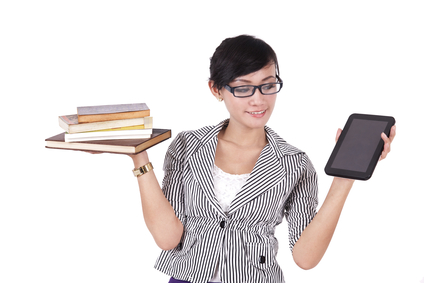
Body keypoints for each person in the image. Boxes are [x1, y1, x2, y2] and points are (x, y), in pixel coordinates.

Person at [129, 35, 396, 283]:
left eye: (268, 85)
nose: (259, 100)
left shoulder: (294, 163)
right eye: (243, 88)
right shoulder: (188, 146)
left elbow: (305, 257)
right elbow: (167, 238)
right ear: (216, 89)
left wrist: (345, 177)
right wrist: (138, 154)